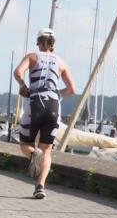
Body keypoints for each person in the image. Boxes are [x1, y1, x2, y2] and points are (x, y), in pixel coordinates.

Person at [13, 28, 77, 199]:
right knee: (47, 149)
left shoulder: (32, 57)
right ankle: (40, 186)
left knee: (25, 143)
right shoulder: (61, 62)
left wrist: (22, 85)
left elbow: (17, 72)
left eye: (38, 42)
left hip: (35, 103)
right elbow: (72, 89)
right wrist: (56, 96)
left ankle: (34, 155)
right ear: (53, 44)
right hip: (54, 106)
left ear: (40, 42)